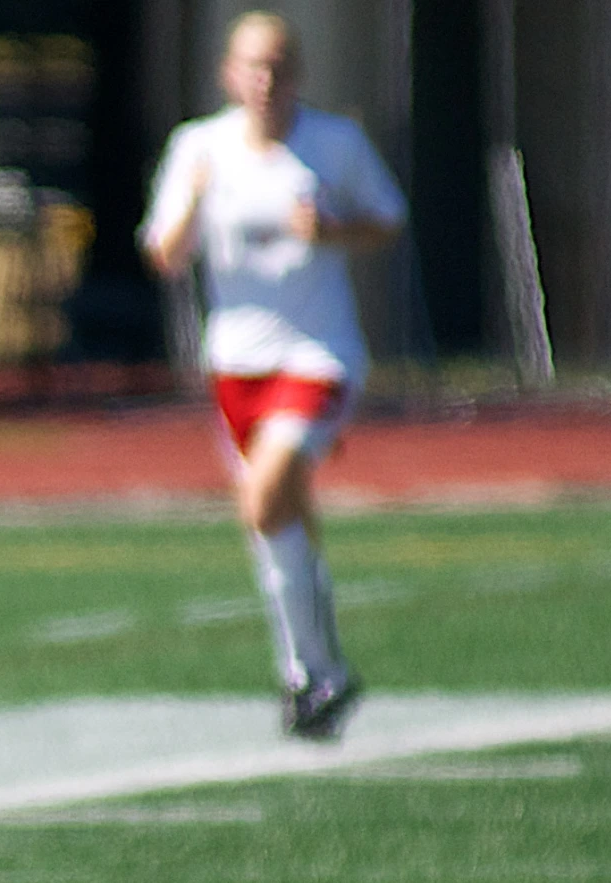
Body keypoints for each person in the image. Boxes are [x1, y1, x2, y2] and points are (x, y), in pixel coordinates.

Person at [140, 10, 403, 740]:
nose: (266, 82)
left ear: (299, 75)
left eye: (280, 67)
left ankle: (309, 672)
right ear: (229, 73)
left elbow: (389, 218)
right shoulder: (199, 147)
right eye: (253, 67)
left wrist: (333, 232)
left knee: (265, 498)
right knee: (276, 523)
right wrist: (192, 198)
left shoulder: (333, 144)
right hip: (236, 361)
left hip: (318, 354)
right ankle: (319, 676)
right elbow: (164, 253)